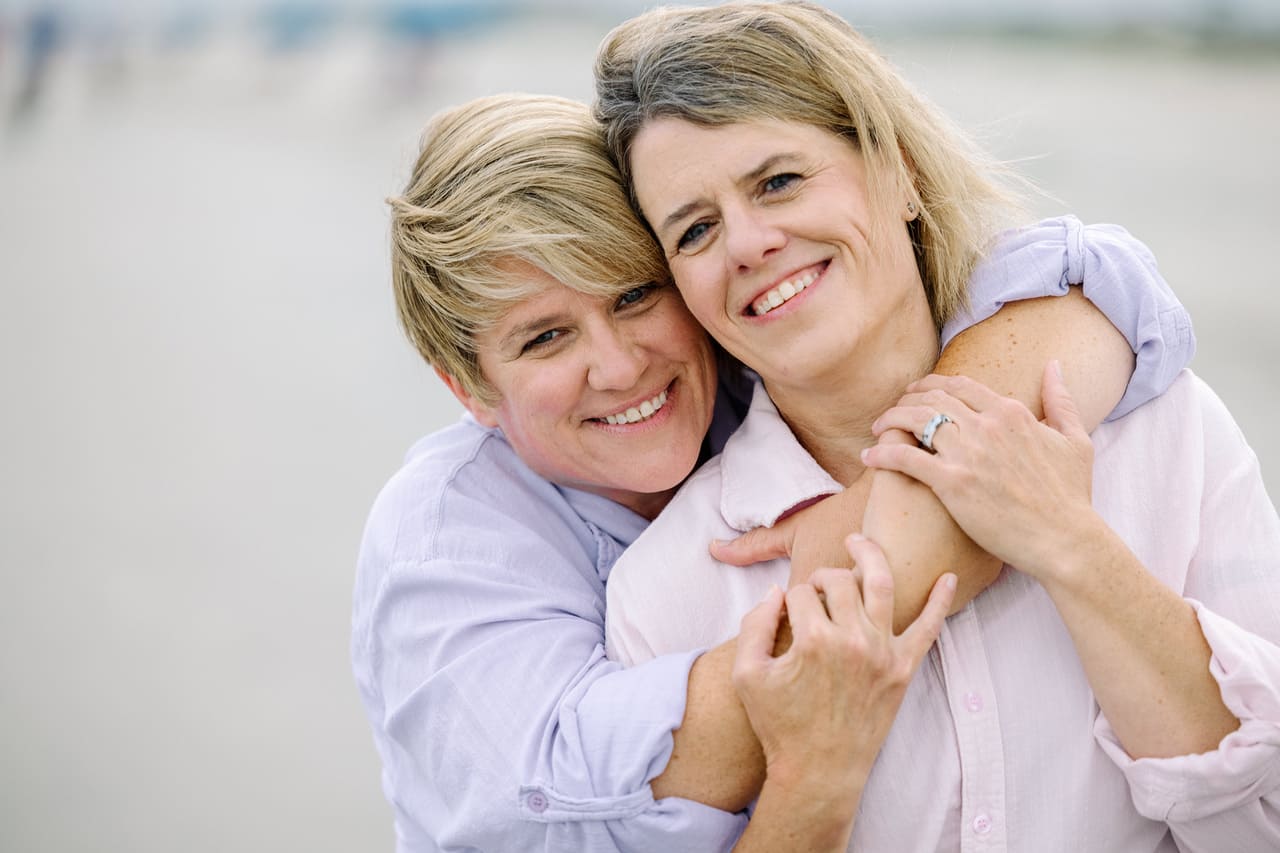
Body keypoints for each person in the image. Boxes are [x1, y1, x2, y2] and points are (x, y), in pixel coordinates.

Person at [352, 91, 1192, 851]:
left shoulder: (749, 367)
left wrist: (882, 491)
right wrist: (893, 551)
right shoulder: (446, 543)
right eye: (545, 338)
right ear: (468, 389)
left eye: (635, 295)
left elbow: (1088, 277)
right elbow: (584, 791)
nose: (619, 367)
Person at [594, 3, 1280, 851]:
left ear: (901, 175)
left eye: (779, 181)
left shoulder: (1163, 432)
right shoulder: (667, 590)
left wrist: (1071, 546)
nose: (748, 242)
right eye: (694, 230)